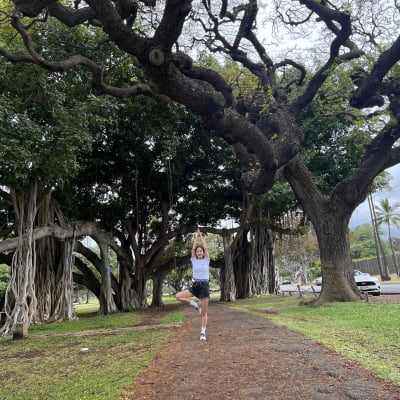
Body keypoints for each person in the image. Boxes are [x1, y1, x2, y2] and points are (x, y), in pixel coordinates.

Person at [176, 228, 210, 341]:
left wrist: (201, 235)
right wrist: (196, 236)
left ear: (203, 253)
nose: (199, 252)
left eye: (201, 251)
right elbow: (193, 248)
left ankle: (202, 333)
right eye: (197, 251)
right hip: (195, 285)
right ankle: (195, 305)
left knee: (204, 313)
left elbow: (205, 247)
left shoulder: (207, 260)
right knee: (178, 296)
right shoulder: (193, 260)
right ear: (195, 253)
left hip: (204, 286)